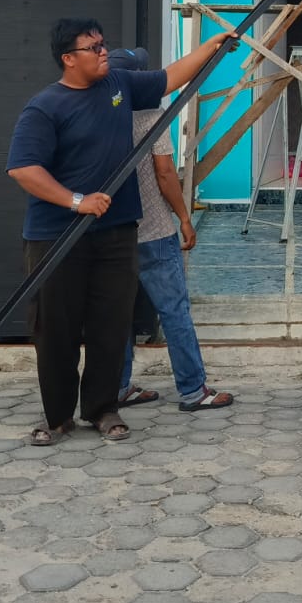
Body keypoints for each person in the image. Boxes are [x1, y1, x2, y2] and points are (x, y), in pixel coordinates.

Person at [6, 19, 232, 445]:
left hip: (115, 232)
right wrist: (77, 200)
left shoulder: (120, 85)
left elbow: (170, 78)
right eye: (92, 47)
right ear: (68, 59)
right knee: (57, 329)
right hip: (56, 236)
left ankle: (102, 410)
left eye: (103, 43)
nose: (103, 51)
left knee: (111, 325)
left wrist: (210, 46)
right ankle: (56, 417)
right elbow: (23, 169)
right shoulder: (45, 107)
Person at [108, 46, 234, 414]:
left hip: (115, 233)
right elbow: (165, 174)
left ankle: (117, 386)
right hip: (155, 230)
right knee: (175, 311)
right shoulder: (151, 115)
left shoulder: (102, 116)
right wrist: (183, 217)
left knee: (119, 315)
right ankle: (194, 390)